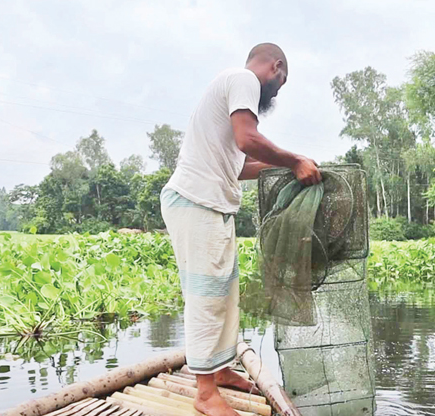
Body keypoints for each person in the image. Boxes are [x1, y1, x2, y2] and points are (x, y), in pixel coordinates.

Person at [160, 43, 321, 416]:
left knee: (224, 291)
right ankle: (204, 392)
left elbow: (242, 164)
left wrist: (288, 166)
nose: (277, 92)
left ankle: (220, 369)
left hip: (212, 203)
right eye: (281, 84)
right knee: (206, 294)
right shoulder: (244, 78)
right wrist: (294, 159)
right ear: (275, 67)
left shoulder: (232, 100)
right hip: (195, 200)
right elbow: (249, 140)